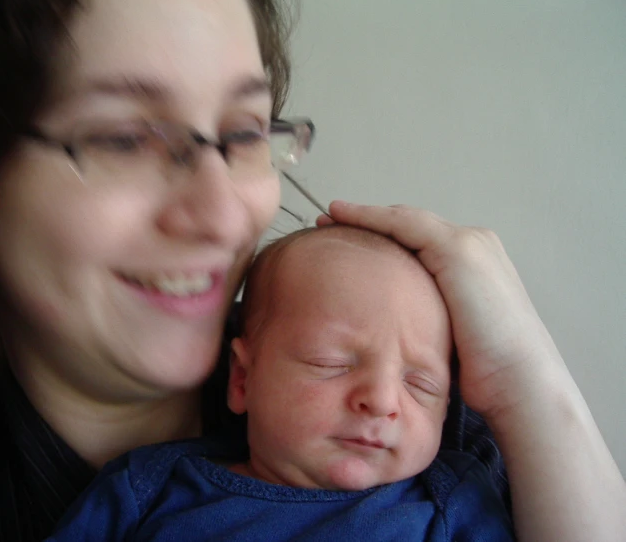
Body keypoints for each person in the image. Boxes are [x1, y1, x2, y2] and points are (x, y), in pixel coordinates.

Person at [0, 0, 623, 541]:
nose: (222, 212)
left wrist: (530, 380)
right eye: (123, 138)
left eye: (242, 132)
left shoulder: (412, 437)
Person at [47, 225, 515, 541]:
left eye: (421, 384)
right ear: (242, 378)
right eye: (331, 362)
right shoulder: (148, 490)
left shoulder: (451, 499)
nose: (382, 400)